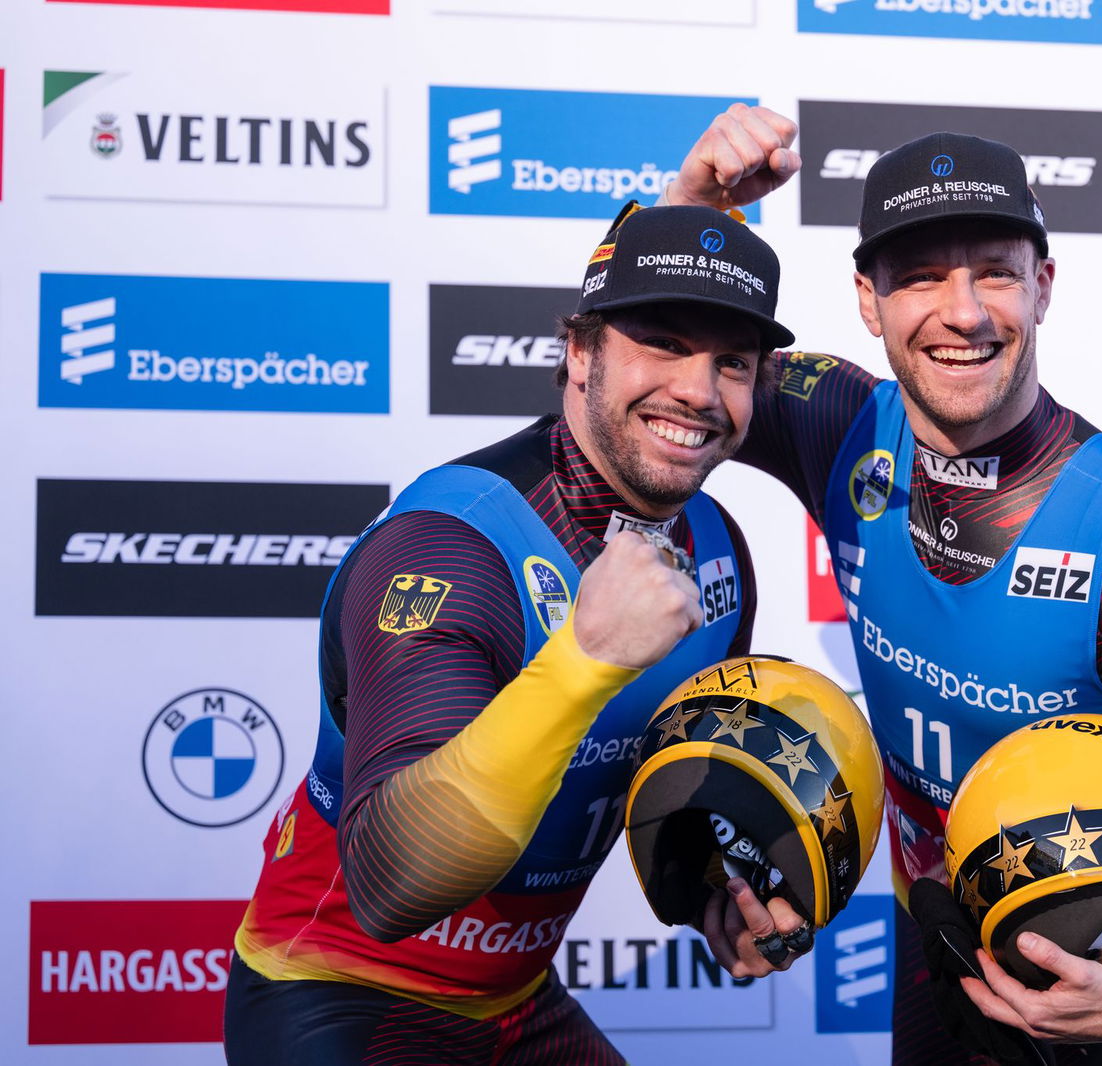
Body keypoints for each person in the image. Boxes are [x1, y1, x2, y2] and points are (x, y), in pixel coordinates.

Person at [662, 106, 1102, 1064]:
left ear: (1044, 286)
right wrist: (692, 209)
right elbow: (655, 364)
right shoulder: (835, 422)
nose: (965, 312)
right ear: (867, 298)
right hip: (932, 947)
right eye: (922, 277)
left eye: (995, 273)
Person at [223, 202, 810, 1064]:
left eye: (732, 363)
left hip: (517, 1000)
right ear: (579, 352)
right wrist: (585, 659)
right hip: (339, 992)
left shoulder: (716, 551)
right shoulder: (451, 546)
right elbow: (391, 886)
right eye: (663, 344)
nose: (696, 389)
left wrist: (710, 891)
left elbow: (647, 776)